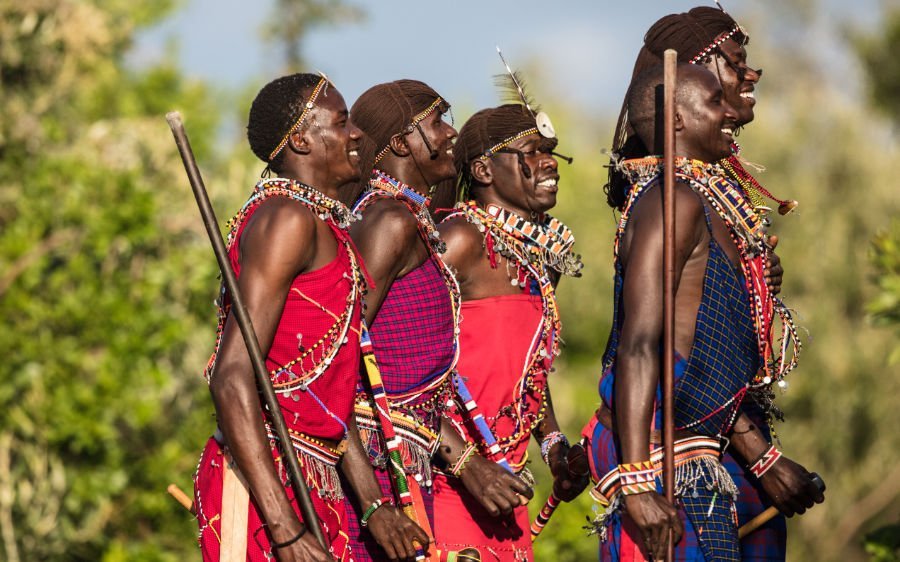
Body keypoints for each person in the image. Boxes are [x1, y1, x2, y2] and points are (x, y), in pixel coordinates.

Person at [584, 64, 823, 561]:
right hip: (662, 457)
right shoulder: (672, 201)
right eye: (716, 103)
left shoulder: (691, 199)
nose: (731, 112)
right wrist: (635, 482)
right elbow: (640, 343)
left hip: (697, 451)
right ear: (676, 119)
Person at [193, 73, 428, 562]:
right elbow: (231, 377)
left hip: (311, 482)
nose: (358, 134)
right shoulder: (286, 221)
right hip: (269, 489)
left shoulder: (325, 229)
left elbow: (325, 401)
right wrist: (284, 529)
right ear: (301, 138)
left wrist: (373, 507)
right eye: (342, 123)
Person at [342, 80, 533, 561]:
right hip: (376, 462)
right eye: (437, 121)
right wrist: (374, 505)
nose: (451, 133)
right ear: (403, 142)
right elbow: (339, 353)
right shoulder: (389, 221)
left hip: (404, 458)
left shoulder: (411, 219)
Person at [432, 103, 590, 560]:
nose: (549, 164)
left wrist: (554, 447)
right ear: (483, 168)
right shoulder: (459, 240)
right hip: (448, 482)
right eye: (532, 151)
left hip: (506, 487)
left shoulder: (539, 256)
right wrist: (466, 463)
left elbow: (527, 373)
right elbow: (396, 367)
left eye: (551, 152)